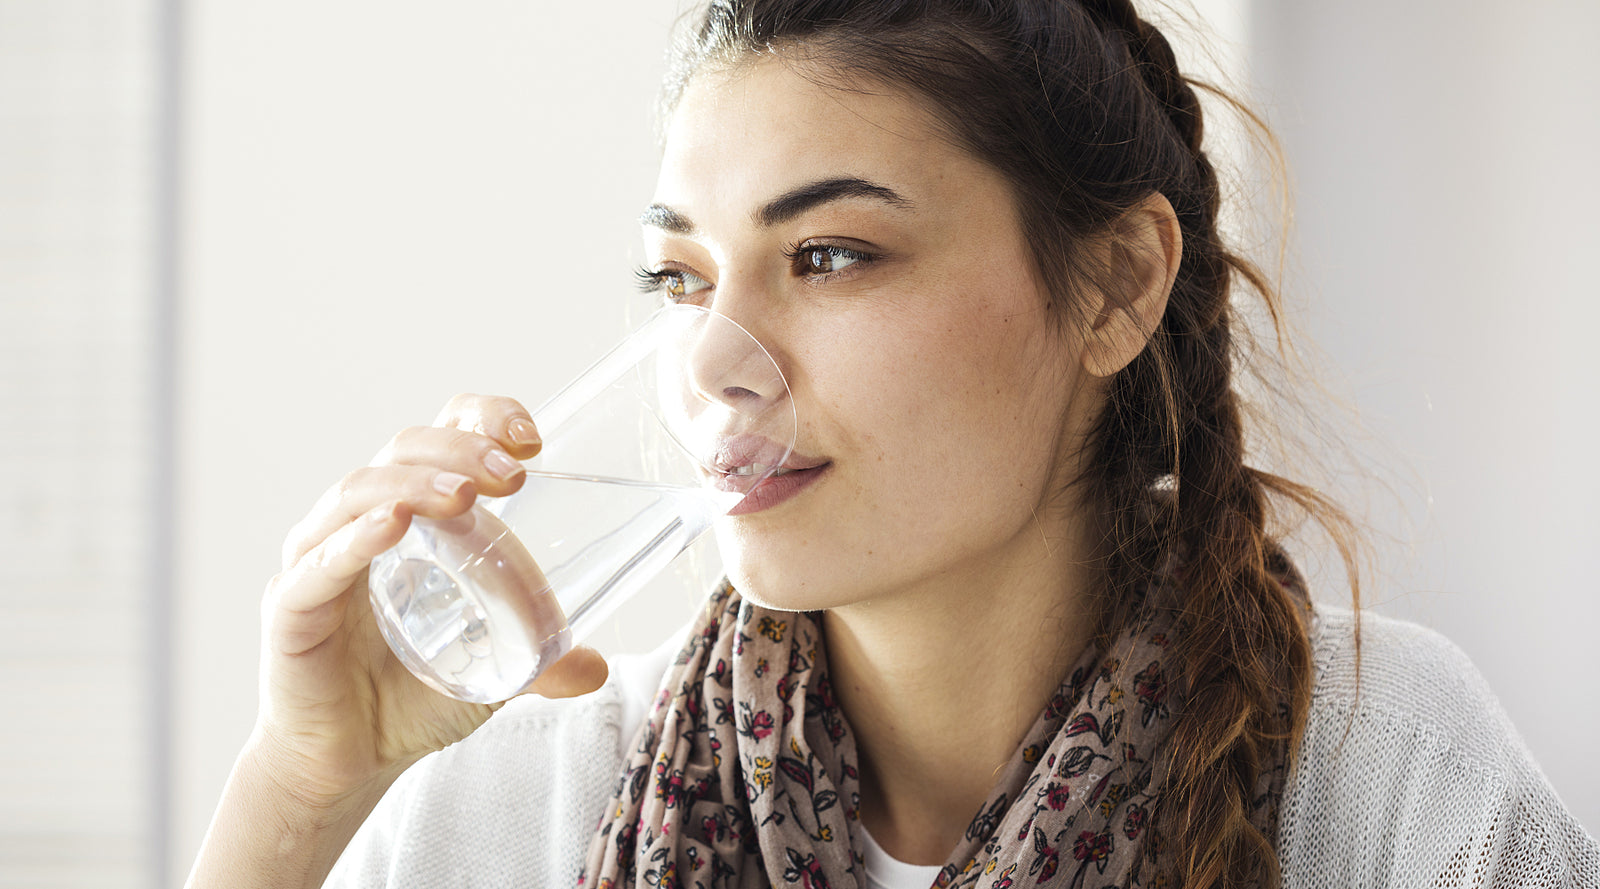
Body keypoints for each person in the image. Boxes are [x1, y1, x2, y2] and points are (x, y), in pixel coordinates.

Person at [185, 0, 1599, 886]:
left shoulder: (1376, 771)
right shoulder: (536, 796)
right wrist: (305, 783)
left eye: (833, 256)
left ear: (1113, 285)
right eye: (682, 279)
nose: (715, 370)